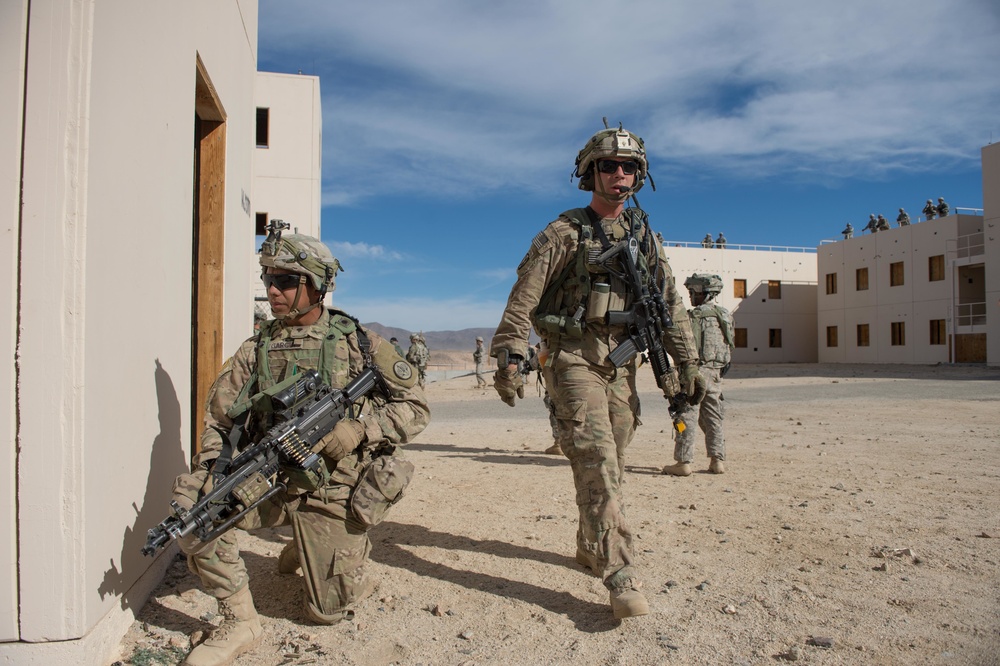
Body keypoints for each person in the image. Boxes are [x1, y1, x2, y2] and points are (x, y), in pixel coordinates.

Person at [171, 224, 429, 666]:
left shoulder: (360, 343)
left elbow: (415, 408)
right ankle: (240, 621)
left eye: (286, 280)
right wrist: (213, 467)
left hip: (334, 484)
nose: (273, 290)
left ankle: (320, 545)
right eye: (269, 279)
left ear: (317, 284)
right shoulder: (256, 349)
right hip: (271, 479)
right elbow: (219, 421)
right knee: (199, 510)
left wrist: (361, 429)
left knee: (327, 612)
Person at [489, 124, 705, 619]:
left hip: (621, 363)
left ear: (640, 175)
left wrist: (688, 361)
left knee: (617, 454)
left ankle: (591, 543)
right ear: (591, 172)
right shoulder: (563, 232)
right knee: (596, 459)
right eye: (609, 165)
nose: (620, 174)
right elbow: (522, 299)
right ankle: (619, 572)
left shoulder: (645, 237)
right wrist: (510, 355)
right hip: (571, 357)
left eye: (629, 167)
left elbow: (669, 304)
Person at [663, 274, 734, 477]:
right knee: (714, 418)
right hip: (715, 374)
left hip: (694, 373)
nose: (691, 296)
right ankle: (717, 460)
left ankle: (683, 462)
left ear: (704, 293)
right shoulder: (725, 316)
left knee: (686, 416)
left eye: (693, 293)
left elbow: (683, 345)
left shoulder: (692, 317)